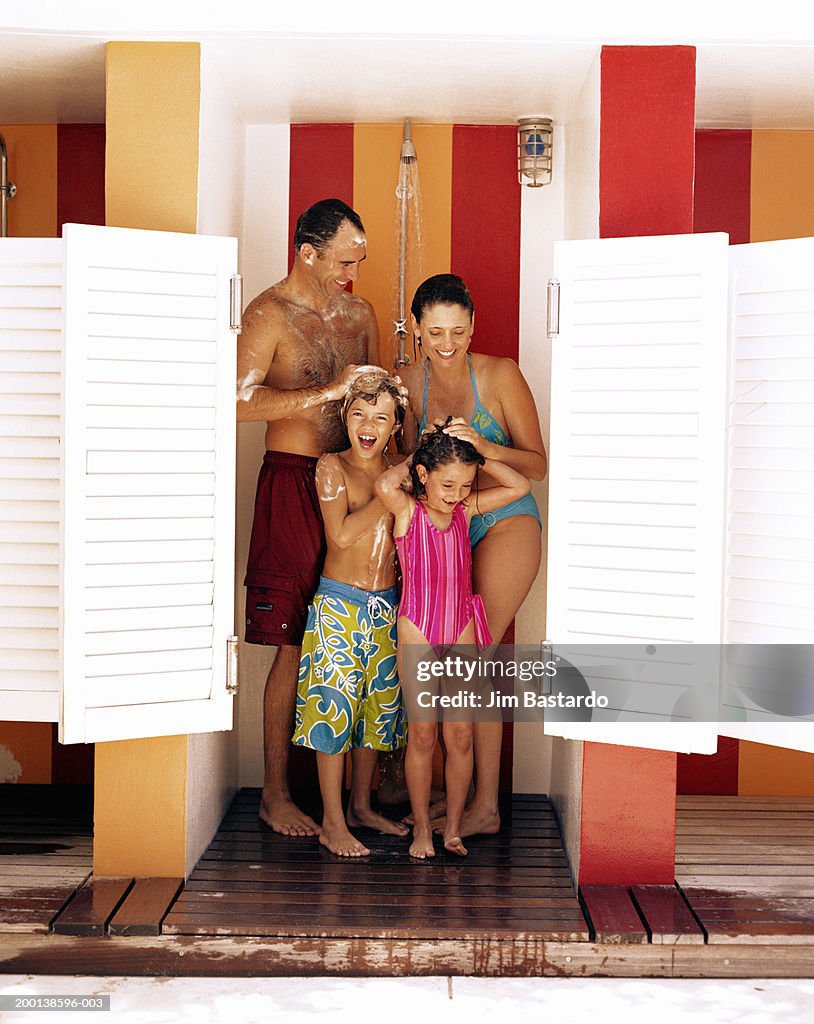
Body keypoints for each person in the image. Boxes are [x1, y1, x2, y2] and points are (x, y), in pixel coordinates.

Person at [237, 198, 380, 837]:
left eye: (360, 262)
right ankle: (275, 794)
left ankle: (359, 798)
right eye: (344, 262)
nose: (352, 275)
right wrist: (324, 392)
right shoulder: (268, 314)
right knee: (295, 640)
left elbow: (376, 393)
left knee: (360, 633)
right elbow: (236, 403)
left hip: (357, 482)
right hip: (293, 482)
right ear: (308, 252)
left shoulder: (359, 313)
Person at [396, 273, 547, 838]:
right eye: (435, 331)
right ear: (416, 328)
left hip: (504, 518)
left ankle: (485, 804)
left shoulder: (500, 373)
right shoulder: (408, 381)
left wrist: (483, 446)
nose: (446, 342)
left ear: (473, 326)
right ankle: (454, 796)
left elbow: (537, 464)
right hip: (443, 526)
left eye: (458, 331)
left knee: (476, 653)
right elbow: (407, 466)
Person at [376, 423, 530, 858]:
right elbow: (385, 482)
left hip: (461, 624)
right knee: (423, 735)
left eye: (465, 484)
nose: (457, 493)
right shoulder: (409, 511)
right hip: (418, 629)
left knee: (460, 735)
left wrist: (480, 453)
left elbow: (519, 484)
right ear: (424, 476)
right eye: (448, 484)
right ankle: (423, 829)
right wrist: (417, 453)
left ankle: (454, 828)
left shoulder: (466, 511)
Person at [292, 370, 410, 857]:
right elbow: (340, 535)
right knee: (334, 713)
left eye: (381, 417)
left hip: (387, 605)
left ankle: (362, 806)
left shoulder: (403, 468)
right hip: (340, 605)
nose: (368, 424)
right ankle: (333, 821)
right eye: (359, 413)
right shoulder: (331, 466)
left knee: (374, 714)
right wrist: (385, 494)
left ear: (394, 425)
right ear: (345, 417)